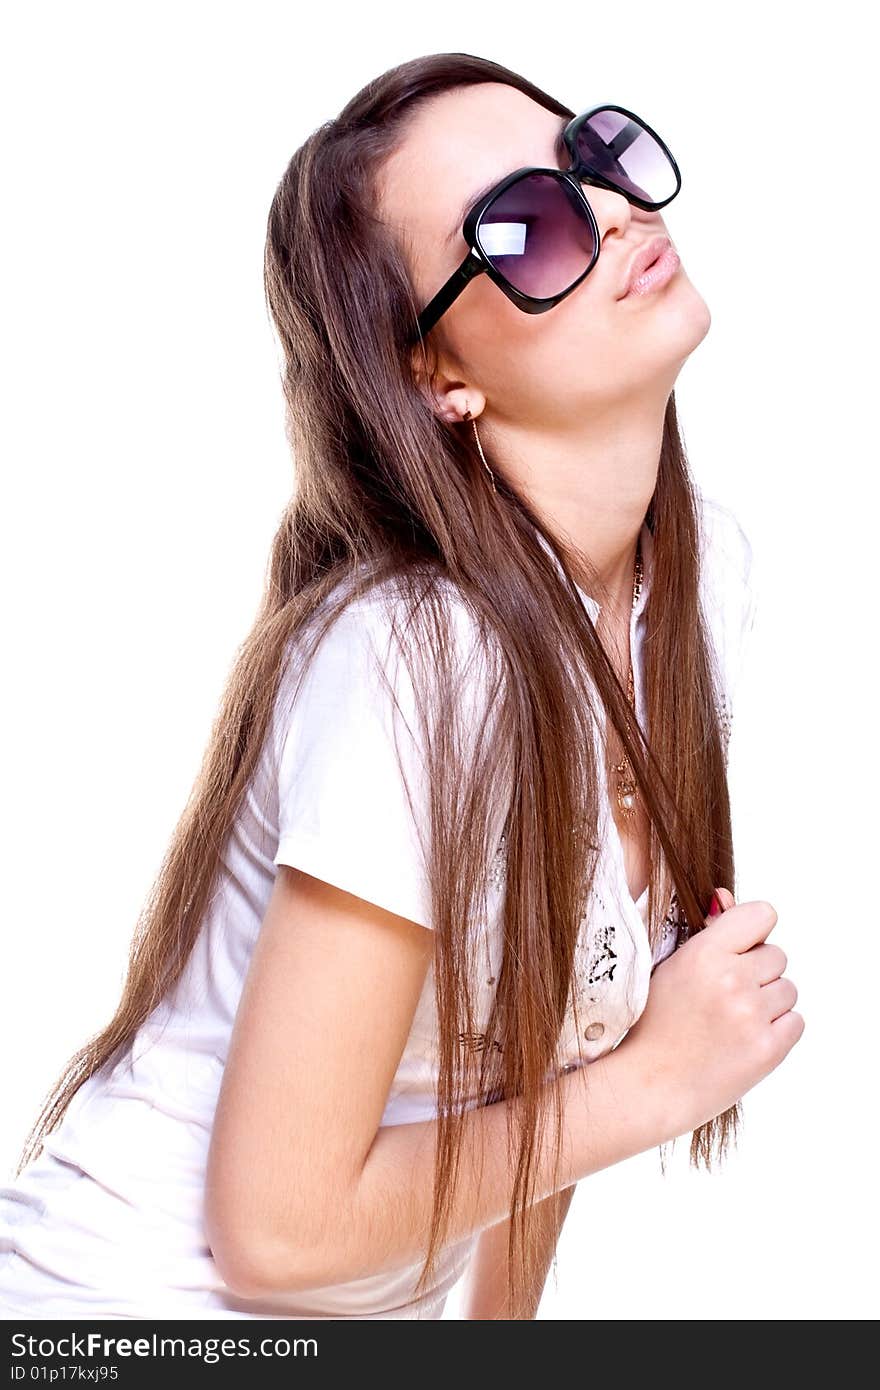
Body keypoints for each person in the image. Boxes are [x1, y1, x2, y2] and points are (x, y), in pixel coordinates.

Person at [0, 51, 803, 1322]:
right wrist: (660, 1080)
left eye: (589, 155)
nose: (606, 212)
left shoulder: (687, 587)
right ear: (437, 378)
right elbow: (277, 1234)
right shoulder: (421, 656)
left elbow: (547, 1072)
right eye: (526, 226)